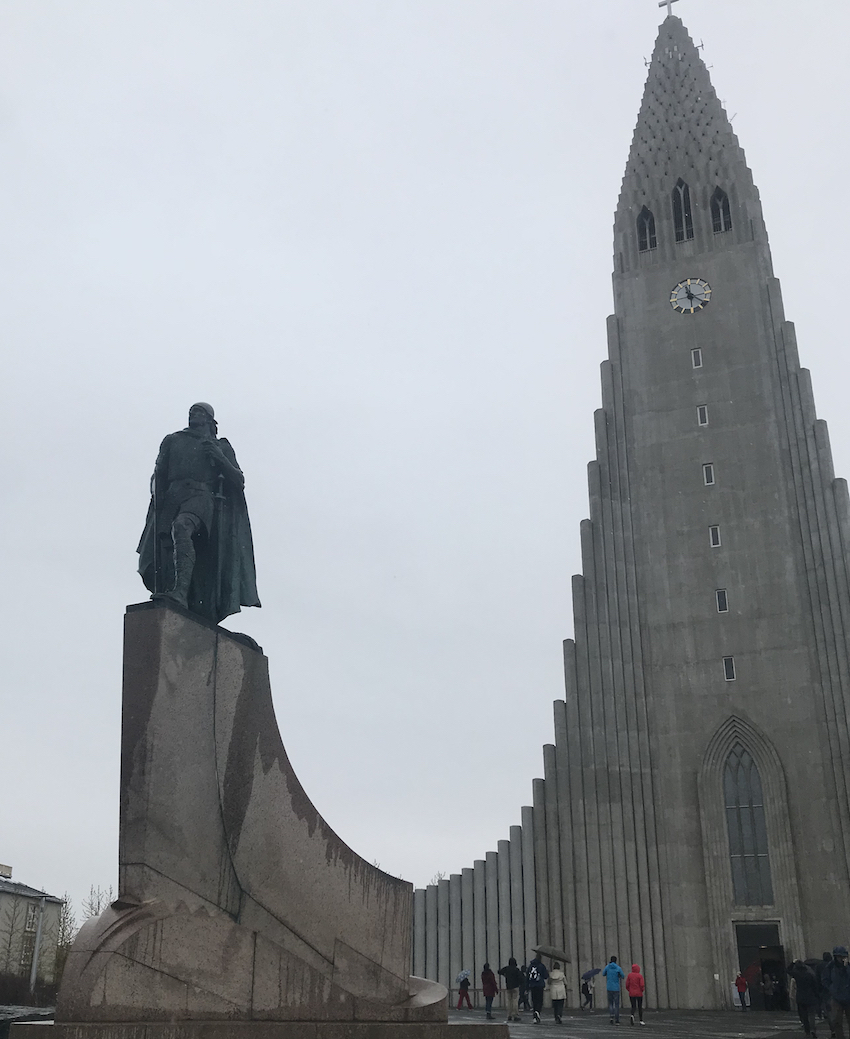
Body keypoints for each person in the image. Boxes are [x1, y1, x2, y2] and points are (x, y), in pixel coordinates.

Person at [138, 403, 260, 623]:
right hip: (173, 497)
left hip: (201, 497)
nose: (194, 414)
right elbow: (159, 474)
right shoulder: (173, 440)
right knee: (166, 550)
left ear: (211, 421)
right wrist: (157, 496)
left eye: (200, 412)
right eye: (192, 411)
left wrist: (219, 458)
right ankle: (175, 589)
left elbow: (238, 480)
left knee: (182, 527)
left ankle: (180, 594)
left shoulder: (219, 446)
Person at [823, 946, 850, 1039]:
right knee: (837, 1021)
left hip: (848, 997)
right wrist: (831, 989)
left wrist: (846, 968)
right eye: (839, 957)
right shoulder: (830, 967)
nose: (841, 959)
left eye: (843, 957)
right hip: (836, 998)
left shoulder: (848, 967)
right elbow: (825, 980)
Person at [788, 959, 820, 1038]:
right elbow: (815, 986)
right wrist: (817, 996)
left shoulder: (796, 975)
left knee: (804, 1016)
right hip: (810, 996)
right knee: (811, 1014)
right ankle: (813, 1029)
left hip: (800, 997)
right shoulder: (810, 975)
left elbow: (788, 970)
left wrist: (792, 962)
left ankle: (807, 1031)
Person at [527, 955, 550, 1024]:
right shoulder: (541, 966)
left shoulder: (530, 966)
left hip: (532, 986)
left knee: (534, 1000)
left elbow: (527, 976)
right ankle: (537, 1012)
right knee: (540, 1000)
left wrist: (527, 986)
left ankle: (534, 1015)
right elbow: (545, 976)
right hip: (539, 985)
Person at [498, 957, 523, 1022]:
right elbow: (521, 978)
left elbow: (499, 971)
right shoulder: (516, 969)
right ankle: (515, 1015)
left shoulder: (506, 968)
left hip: (508, 987)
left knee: (509, 1001)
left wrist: (505, 975)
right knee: (515, 1001)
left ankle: (509, 1015)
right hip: (515, 987)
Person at [602, 956, 626, 1024]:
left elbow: (603, 974)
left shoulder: (607, 967)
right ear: (616, 960)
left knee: (611, 1003)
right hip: (616, 988)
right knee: (617, 1004)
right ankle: (617, 1019)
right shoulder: (618, 968)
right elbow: (623, 976)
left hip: (609, 987)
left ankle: (611, 1017)